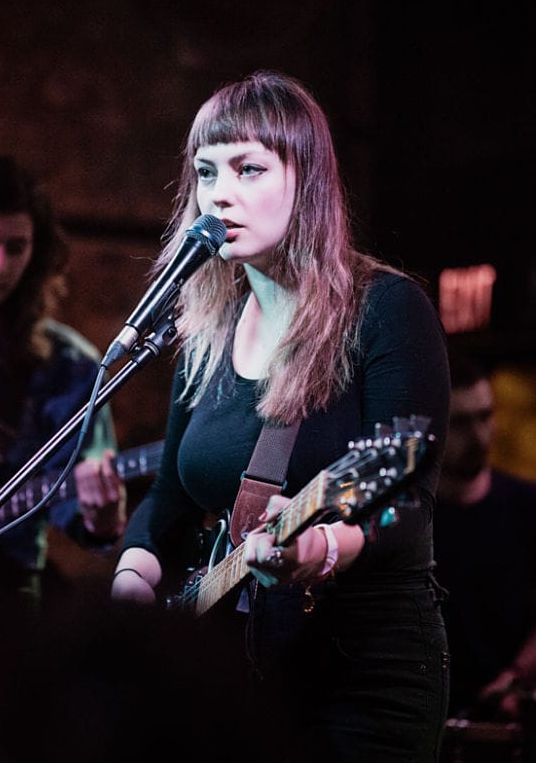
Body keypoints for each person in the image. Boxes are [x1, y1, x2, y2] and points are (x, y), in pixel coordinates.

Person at [111, 70, 451, 762]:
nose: (220, 193)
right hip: (242, 667)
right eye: (206, 171)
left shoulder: (385, 310)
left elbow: (405, 500)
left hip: (364, 669)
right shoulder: (208, 328)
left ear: (308, 180)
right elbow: (173, 494)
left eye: (249, 167)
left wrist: (319, 548)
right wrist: (134, 573)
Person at [0, 155, 126, 614]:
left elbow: (85, 513)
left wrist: (102, 517)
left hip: (3, 599)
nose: (0, 266)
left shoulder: (68, 367)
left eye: (17, 247)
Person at [433, 347, 536, 759]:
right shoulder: (408, 518)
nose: (479, 437)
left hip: (505, 723)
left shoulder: (526, 506)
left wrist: (517, 675)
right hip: (430, 722)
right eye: (460, 422)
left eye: (485, 416)